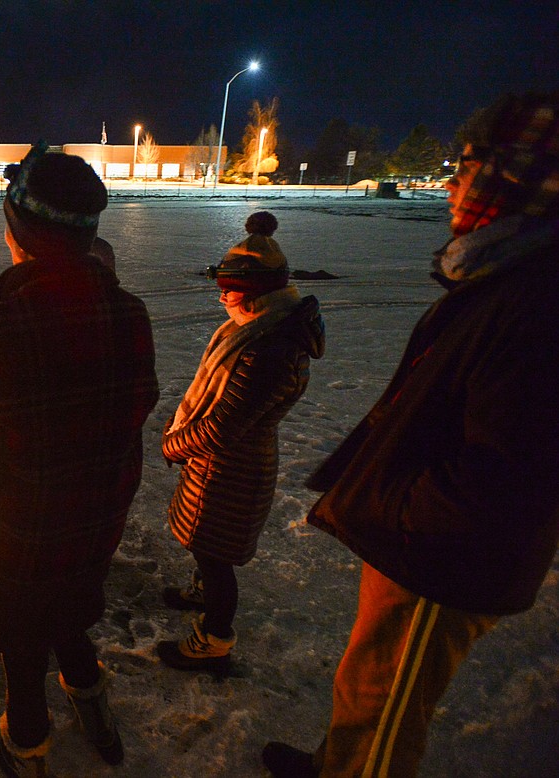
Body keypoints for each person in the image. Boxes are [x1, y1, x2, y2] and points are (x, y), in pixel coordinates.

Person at [263, 92, 559, 777]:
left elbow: (505, 479)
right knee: (365, 682)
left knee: (387, 707)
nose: (454, 181)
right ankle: (337, 763)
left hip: (443, 558)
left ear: (510, 179)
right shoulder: (500, 273)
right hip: (423, 539)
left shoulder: (535, 299)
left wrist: (394, 509)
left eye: (469, 166)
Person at [0, 143, 160, 777]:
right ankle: (93, 704)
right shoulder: (131, 315)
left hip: (19, 532)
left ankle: (26, 744)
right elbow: (138, 402)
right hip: (94, 521)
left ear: (18, 231)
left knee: (22, 641)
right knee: (68, 609)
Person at [157, 212, 324, 672]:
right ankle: (203, 592)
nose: (222, 295)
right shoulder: (254, 330)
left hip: (234, 466)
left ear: (258, 292)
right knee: (205, 544)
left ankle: (215, 638)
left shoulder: (268, 347)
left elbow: (225, 426)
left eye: (230, 288)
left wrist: (174, 445)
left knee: (215, 552)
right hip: (218, 463)